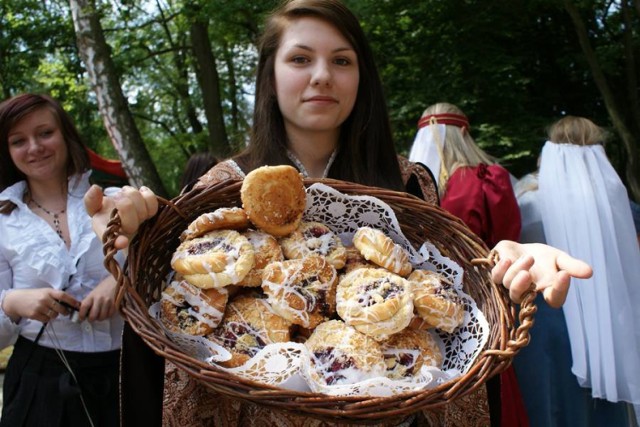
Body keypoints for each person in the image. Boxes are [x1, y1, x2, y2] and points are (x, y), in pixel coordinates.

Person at [84, 1, 593, 425]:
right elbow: (177, 316)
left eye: (342, 61)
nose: (322, 76)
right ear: (270, 73)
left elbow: (446, 293)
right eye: (300, 59)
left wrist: (502, 265)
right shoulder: (222, 189)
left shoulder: (408, 184)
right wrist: (139, 224)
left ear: (362, 76)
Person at [0, 93, 123, 426]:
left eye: (44, 133)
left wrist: (121, 282)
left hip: (127, 374)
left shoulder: (114, 202)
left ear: (65, 135)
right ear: (7, 151)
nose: (34, 147)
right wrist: (12, 302)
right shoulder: (2, 222)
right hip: (40, 381)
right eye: (18, 140)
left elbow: (162, 278)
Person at [512, 116, 639, 427]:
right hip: (608, 316)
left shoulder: (527, 202)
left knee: (551, 400)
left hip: (548, 315)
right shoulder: (618, 201)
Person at [408, 102, 527, 427]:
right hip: (483, 302)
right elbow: (507, 239)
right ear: (464, 133)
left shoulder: (409, 186)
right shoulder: (487, 179)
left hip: (420, 305)